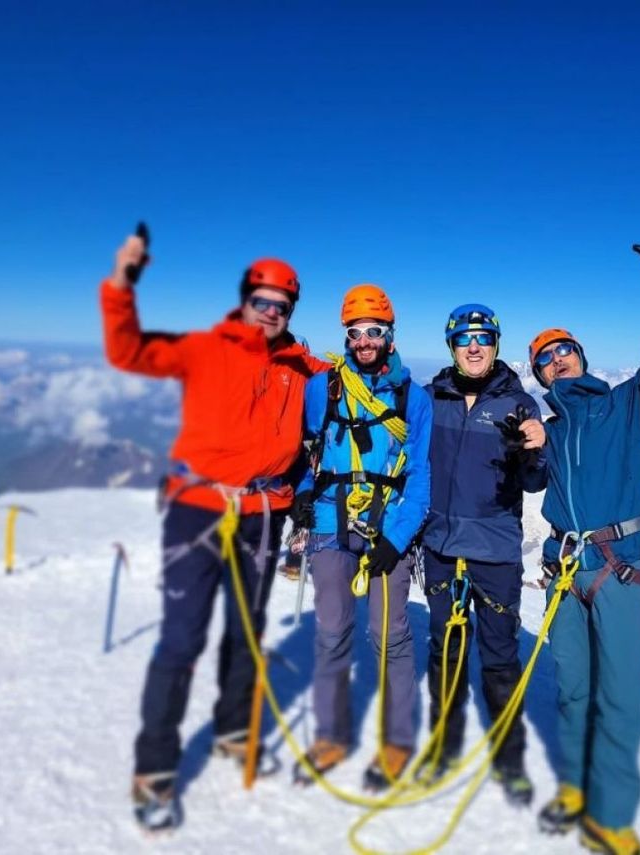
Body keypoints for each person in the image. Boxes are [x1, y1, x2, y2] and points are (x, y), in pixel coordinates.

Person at [101, 228, 328, 832]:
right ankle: (154, 770)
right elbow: (128, 352)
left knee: (247, 636)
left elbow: (358, 382)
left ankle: (232, 731)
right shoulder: (205, 348)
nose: (271, 313)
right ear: (244, 301)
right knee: (181, 641)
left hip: (262, 515)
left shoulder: (303, 368)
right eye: (263, 302)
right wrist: (123, 284)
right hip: (198, 510)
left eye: (282, 306)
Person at [533, 212, 640, 855]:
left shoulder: (625, 402)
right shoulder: (548, 427)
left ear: (580, 356)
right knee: (574, 688)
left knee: (622, 694)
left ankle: (611, 817)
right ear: (541, 375)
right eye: (544, 358)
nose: (556, 359)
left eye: (563, 348)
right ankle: (575, 787)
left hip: (617, 566)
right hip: (561, 570)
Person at [288, 284, 432, 792]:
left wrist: (395, 539)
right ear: (346, 337)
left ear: (390, 336)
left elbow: (420, 478)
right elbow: (314, 456)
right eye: (356, 332)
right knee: (331, 633)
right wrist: (304, 492)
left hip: (386, 526)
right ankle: (331, 736)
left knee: (389, 636)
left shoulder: (415, 398)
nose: (365, 340)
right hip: (330, 525)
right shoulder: (323, 389)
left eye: (375, 331)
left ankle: (396, 742)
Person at [420, 304, 546, 804]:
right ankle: (444, 748)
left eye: (484, 338)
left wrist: (533, 450)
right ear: (452, 345)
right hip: (441, 549)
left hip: (494, 551)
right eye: (465, 338)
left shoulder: (519, 405)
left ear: (495, 345)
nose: (475, 347)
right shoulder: (431, 400)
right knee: (445, 650)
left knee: (498, 657)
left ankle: (508, 758)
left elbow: (535, 482)